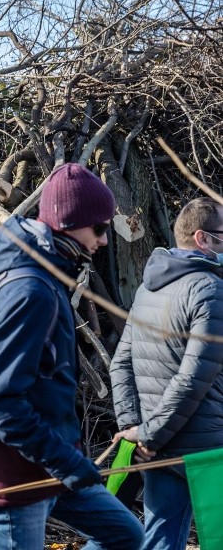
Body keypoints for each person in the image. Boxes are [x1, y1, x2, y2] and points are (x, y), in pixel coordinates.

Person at [0, 163, 144, 549]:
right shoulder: (29, 289)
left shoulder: (48, 274)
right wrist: (67, 462)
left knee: (125, 535)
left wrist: (67, 460)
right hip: (17, 475)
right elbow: (0, 400)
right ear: (67, 223)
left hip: (52, 464)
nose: (105, 239)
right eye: (99, 227)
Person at [110, 197, 223, 550]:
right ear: (203, 238)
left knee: (161, 539)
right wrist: (147, 435)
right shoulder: (210, 290)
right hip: (206, 451)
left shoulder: (148, 288)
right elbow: (193, 379)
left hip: (158, 447)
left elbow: (120, 363)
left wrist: (136, 431)